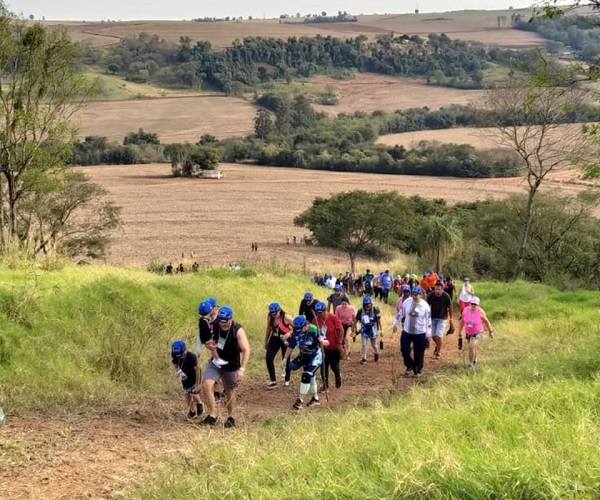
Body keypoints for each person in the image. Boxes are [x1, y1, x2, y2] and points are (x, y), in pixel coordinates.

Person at [201, 306, 250, 428]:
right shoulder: (215, 324)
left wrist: (242, 369)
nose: (222, 324)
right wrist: (209, 347)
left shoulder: (237, 330)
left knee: (230, 390)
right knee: (206, 384)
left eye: (225, 322)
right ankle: (213, 414)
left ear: (231, 318)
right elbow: (206, 339)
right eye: (220, 322)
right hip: (216, 361)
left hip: (231, 364)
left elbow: (246, 350)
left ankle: (231, 416)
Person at [281, 315, 329, 410]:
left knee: (306, 375)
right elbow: (291, 346)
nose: (299, 331)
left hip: (316, 356)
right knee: (296, 368)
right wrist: (284, 359)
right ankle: (315, 399)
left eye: (300, 329)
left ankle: (300, 400)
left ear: (306, 325)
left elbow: (327, 342)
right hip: (304, 356)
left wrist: (323, 341)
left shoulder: (314, 330)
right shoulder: (296, 331)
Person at [397, 286, 431, 377]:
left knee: (419, 352)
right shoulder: (407, 302)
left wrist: (428, 333)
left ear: (421, 295)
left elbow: (428, 320)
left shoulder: (425, 306)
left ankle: (417, 369)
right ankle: (410, 365)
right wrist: (395, 323)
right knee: (404, 350)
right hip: (407, 331)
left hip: (420, 332)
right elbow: (401, 312)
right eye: (413, 295)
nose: (415, 297)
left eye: (417, 295)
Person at [312, 301, 344, 391]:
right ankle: (325, 384)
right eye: (317, 312)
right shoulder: (315, 321)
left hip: (334, 347)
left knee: (335, 366)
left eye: (321, 312)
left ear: (325, 310)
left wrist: (340, 342)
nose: (319, 314)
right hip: (322, 348)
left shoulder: (333, 317)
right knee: (323, 366)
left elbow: (340, 329)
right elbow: (313, 333)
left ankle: (338, 377)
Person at [457, 296, 494, 369]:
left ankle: (470, 364)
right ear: (470, 303)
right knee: (473, 347)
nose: (473, 305)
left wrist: (491, 331)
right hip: (468, 332)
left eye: (475, 304)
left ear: (478, 305)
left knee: (471, 346)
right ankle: (475, 360)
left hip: (478, 332)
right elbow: (462, 321)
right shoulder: (465, 310)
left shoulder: (480, 312)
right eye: (472, 303)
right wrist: (460, 331)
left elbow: (486, 321)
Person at [264, 302, 293, 389]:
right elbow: (268, 328)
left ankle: (287, 381)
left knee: (286, 359)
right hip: (275, 338)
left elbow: (297, 327)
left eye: (275, 313)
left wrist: (289, 333)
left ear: (279, 310)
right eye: (272, 313)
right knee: (269, 357)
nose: (274, 315)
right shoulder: (270, 317)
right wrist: (266, 341)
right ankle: (273, 380)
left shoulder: (286, 317)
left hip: (285, 339)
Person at [171, 340, 203, 419]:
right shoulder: (176, 357)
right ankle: (191, 410)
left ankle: (199, 403)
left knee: (194, 392)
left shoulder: (191, 356)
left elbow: (197, 369)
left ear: (185, 350)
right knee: (187, 393)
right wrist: (178, 372)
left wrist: (198, 383)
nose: (179, 357)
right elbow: (175, 364)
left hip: (194, 375)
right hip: (184, 375)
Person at [426, 281, 453, 359]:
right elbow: (426, 306)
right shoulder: (430, 295)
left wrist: (451, 318)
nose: (437, 291)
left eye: (439, 289)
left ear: (442, 289)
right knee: (433, 335)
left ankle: (437, 352)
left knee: (438, 335)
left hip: (442, 318)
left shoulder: (446, 296)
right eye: (436, 289)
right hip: (432, 317)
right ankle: (438, 346)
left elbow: (450, 307)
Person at [354, 296, 382, 364]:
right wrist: (353, 329)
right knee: (363, 344)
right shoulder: (360, 311)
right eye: (365, 306)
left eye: (368, 305)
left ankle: (376, 352)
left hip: (373, 329)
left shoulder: (375, 310)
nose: (367, 307)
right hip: (364, 329)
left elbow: (378, 321)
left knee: (374, 345)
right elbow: (356, 320)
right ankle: (364, 358)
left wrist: (381, 330)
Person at [335, 296, 356, 360]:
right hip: (341, 324)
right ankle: (342, 353)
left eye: (345, 304)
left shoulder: (352, 308)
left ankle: (348, 353)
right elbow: (336, 318)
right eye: (342, 304)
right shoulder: (338, 308)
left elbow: (354, 319)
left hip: (349, 324)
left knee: (347, 338)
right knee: (341, 339)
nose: (344, 305)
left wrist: (355, 328)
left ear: (348, 303)